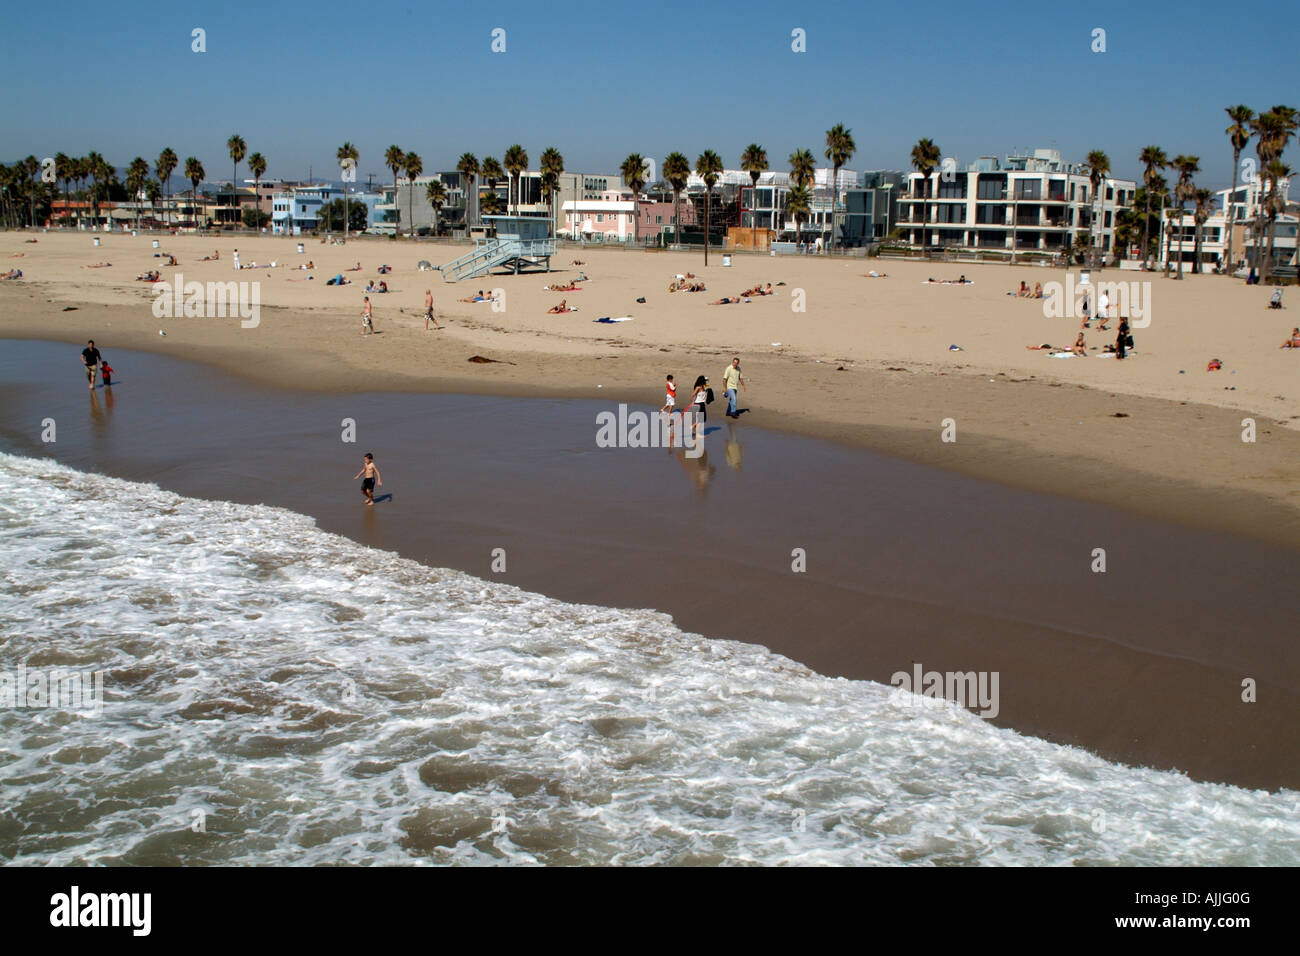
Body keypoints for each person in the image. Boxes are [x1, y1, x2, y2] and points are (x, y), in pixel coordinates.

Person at [688, 375, 709, 440]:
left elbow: (708, 381)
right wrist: (692, 402)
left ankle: (693, 426)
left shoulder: (704, 387)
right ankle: (697, 434)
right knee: (700, 419)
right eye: (704, 381)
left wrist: (706, 379)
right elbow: (692, 395)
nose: (705, 382)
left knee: (702, 419)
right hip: (698, 404)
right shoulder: (698, 387)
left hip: (702, 404)